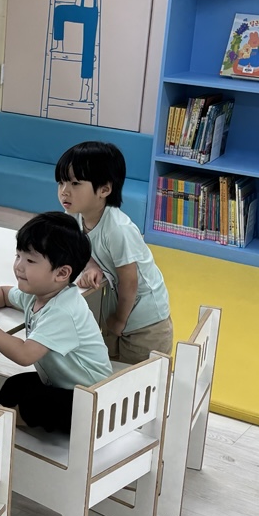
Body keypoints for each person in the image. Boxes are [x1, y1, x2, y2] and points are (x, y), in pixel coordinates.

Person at [0, 211, 112, 433]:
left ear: (61, 273)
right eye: (18, 256)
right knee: (15, 385)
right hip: (64, 385)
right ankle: (2, 417)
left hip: (93, 401)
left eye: (30, 260)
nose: (19, 266)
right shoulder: (39, 293)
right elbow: (2, 294)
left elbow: (25, 355)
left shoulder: (63, 311)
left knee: (37, 403)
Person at [55, 141, 173, 364]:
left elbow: (130, 282)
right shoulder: (75, 215)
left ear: (104, 189)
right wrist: (91, 266)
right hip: (117, 308)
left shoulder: (118, 229)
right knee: (111, 371)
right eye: (61, 182)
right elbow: (78, 245)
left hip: (147, 321)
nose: (64, 191)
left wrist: (119, 320)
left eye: (75, 183)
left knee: (137, 378)